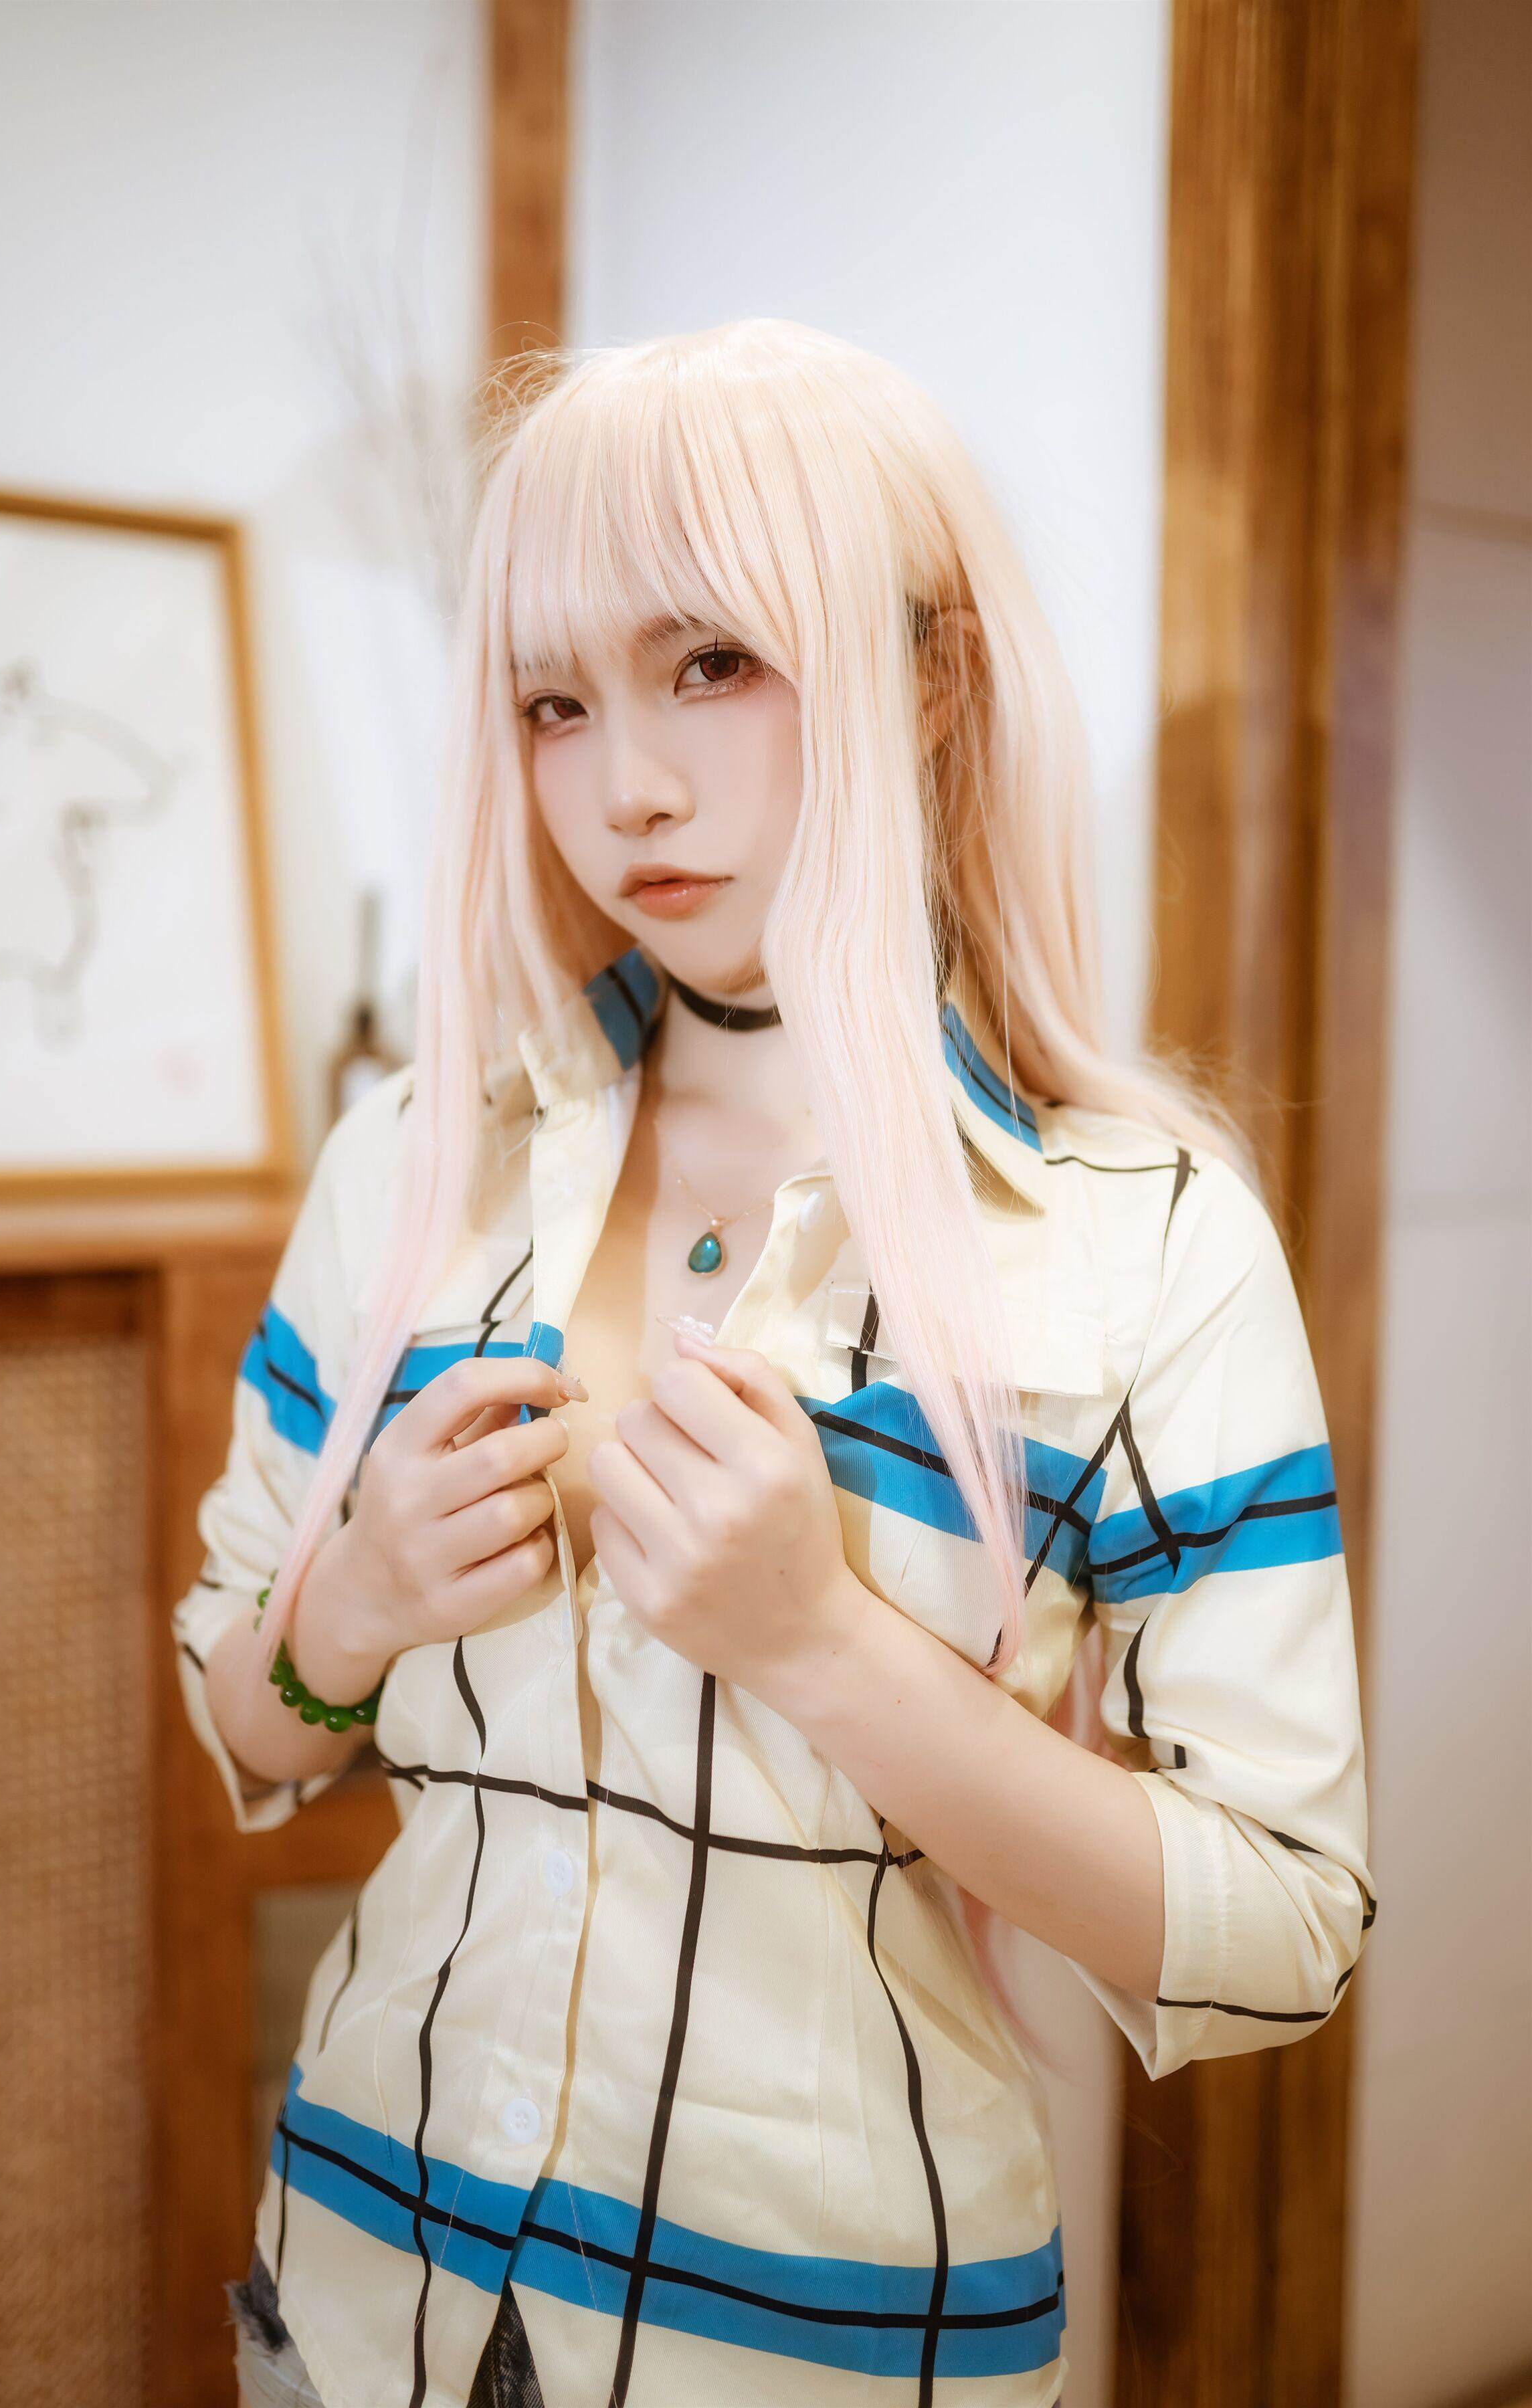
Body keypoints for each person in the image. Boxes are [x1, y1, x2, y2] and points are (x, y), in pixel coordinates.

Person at [179, 319, 1375, 2408]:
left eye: (712, 663)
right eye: (555, 703)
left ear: (931, 678)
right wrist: (350, 1601)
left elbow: (1284, 1933)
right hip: (357, 2292)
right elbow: (246, 1725)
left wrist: (819, 1642)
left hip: (823, 2351)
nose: (625, 786)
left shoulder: (1141, 1236)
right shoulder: (420, 1159)